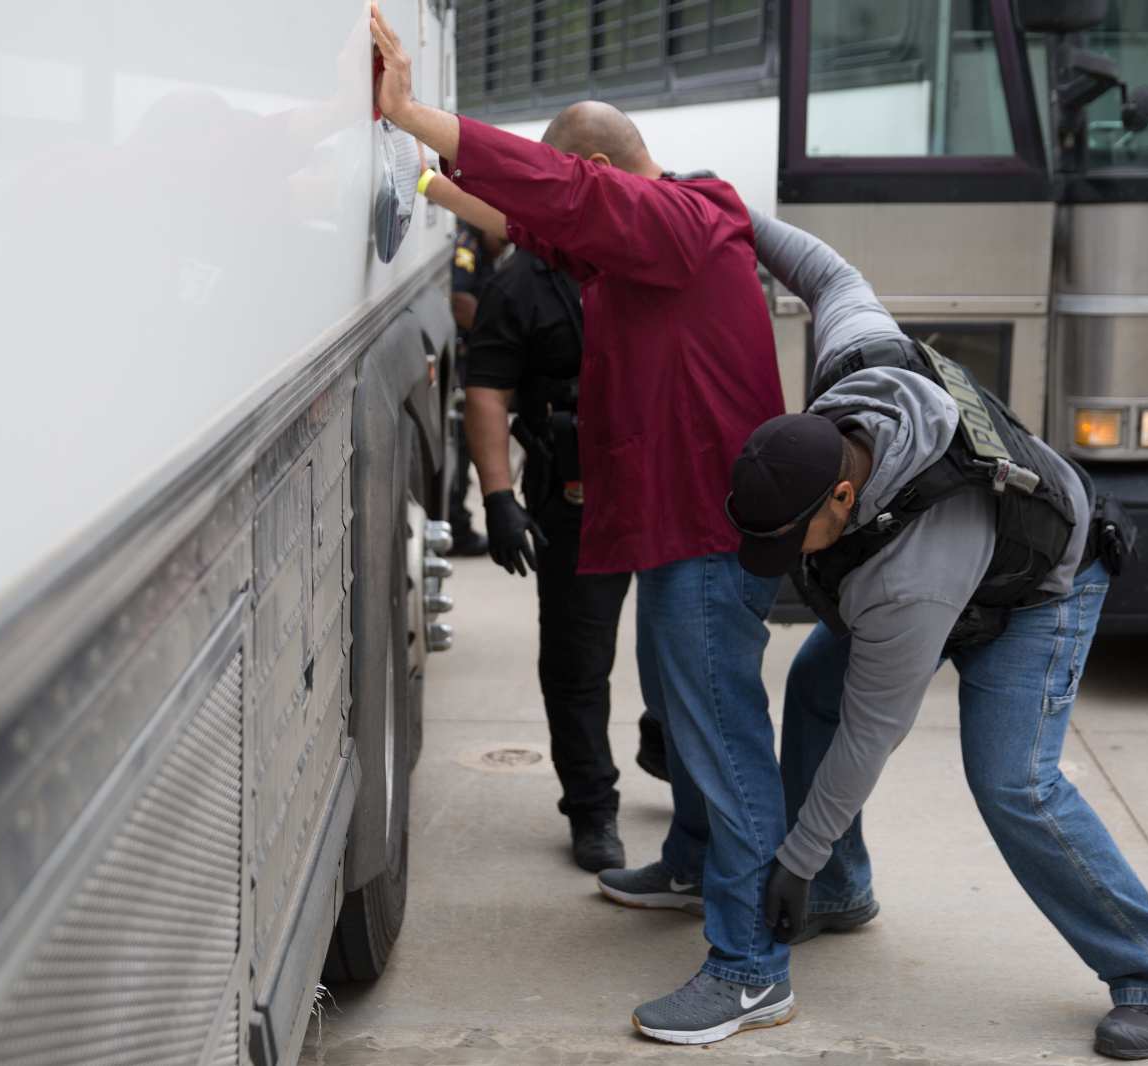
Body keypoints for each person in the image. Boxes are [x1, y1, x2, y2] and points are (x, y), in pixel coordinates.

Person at [369, 5, 796, 1044]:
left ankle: (752, 966)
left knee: (722, 736)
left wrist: (412, 112)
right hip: (674, 528)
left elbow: (562, 198)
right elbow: (540, 223)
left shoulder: (676, 220)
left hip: (703, 533)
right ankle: (692, 862)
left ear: (606, 173)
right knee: (687, 716)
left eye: (582, 185)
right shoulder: (645, 245)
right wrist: (427, 182)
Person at [732, 212, 1148, 1061]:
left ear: (841, 497)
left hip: (1039, 590)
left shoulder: (906, 583)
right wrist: (731, 212)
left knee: (1014, 782)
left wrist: (793, 858)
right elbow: (829, 274)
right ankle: (841, 891)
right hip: (963, 567)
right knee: (811, 690)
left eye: (793, 539)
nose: (787, 560)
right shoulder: (857, 366)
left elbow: (872, 734)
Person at [463, 246, 631, 872]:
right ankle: (592, 808)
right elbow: (487, 389)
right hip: (574, 492)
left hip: (668, 485)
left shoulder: (654, 251)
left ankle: (669, 752)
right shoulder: (519, 282)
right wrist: (498, 498)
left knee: (690, 647)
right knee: (576, 659)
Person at [446, 221, 508, 557]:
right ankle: (457, 527)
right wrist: (502, 334)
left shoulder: (483, 247)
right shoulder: (467, 246)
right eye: (502, 237)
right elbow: (459, 301)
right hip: (461, 361)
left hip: (469, 357)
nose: (503, 245)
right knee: (459, 443)